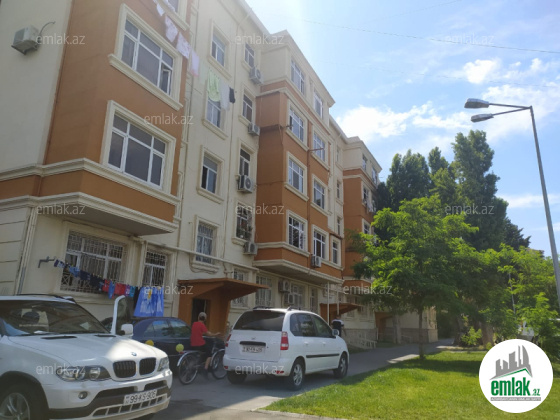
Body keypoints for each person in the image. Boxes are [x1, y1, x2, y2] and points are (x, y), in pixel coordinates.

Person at [190, 312, 221, 377]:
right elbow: (209, 334)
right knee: (209, 353)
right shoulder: (202, 325)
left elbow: (198, 331)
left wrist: (202, 333)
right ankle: (205, 368)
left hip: (192, 343)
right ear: (205, 319)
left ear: (198, 317)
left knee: (198, 354)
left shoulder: (194, 324)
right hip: (199, 344)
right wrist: (216, 334)